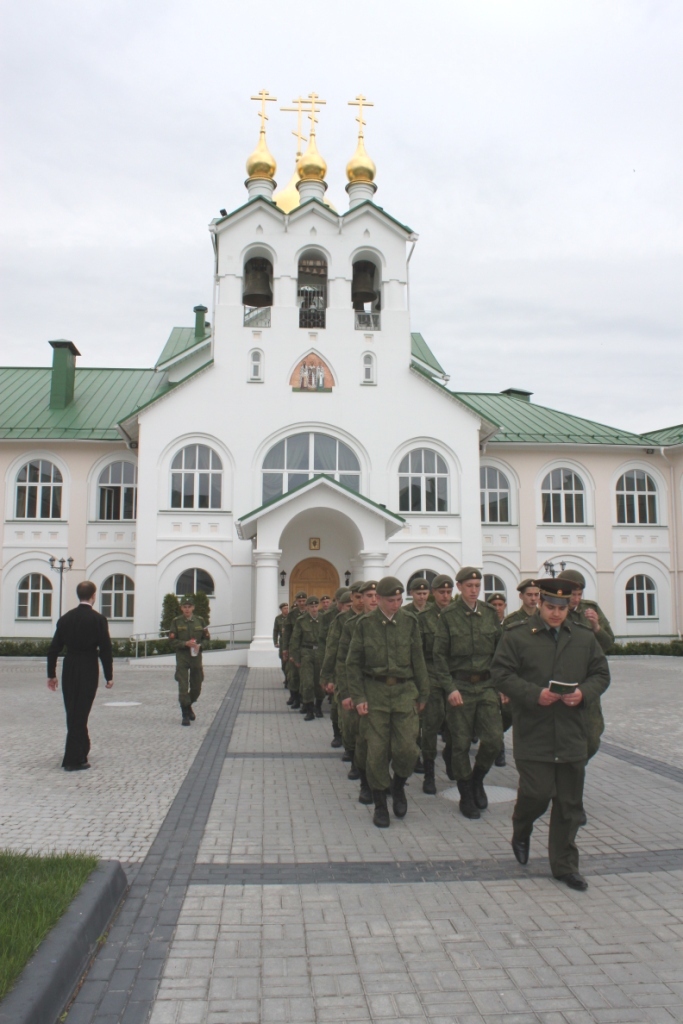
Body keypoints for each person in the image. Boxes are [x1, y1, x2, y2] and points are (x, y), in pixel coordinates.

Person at [491, 577, 610, 891]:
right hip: (535, 731)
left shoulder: (583, 637)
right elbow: (500, 673)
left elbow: (601, 673)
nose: (556, 613)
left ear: (569, 605)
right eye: (550, 607)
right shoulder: (518, 637)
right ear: (539, 604)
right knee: (537, 793)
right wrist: (532, 694)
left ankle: (565, 866)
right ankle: (522, 825)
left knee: (570, 804)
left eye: (561, 607)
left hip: (572, 731)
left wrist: (584, 693)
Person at [347, 576, 429, 828]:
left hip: (404, 692)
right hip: (375, 694)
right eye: (390, 600)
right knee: (377, 753)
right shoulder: (365, 624)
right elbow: (353, 663)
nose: (395, 605)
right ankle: (381, 803)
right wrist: (358, 697)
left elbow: (418, 660)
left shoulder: (410, 622)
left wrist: (423, 693)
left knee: (408, 749)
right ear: (378, 599)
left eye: (398, 600)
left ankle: (399, 785)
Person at [432, 567, 503, 819]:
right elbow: (439, 656)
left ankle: (477, 779)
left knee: (494, 739)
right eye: (469, 586)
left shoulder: (489, 613)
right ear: (459, 586)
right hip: (460, 687)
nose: (474, 590)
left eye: (477, 586)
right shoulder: (449, 616)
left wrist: (501, 685)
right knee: (460, 743)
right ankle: (465, 793)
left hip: (485, 686)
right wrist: (449, 688)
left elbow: (500, 652)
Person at [47, 580, 113, 771]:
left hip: (70, 666)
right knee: (81, 712)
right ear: (93, 596)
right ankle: (73, 759)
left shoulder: (66, 618)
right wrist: (109, 675)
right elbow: (105, 650)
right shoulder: (98, 619)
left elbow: (53, 649)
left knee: (73, 710)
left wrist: (51, 674)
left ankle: (82, 749)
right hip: (88, 667)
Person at [336, 580, 378, 804]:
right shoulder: (350, 624)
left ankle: (384, 780)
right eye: (364, 595)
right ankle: (365, 779)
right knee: (361, 736)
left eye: (373, 595)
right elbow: (343, 660)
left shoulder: (395, 623)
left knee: (385, 740)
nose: (368, 600)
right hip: (359, 688)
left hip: (384, 692)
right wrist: (346, 692)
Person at [418, 574, 454, 794]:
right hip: (431, 675)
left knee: (455, 724)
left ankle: (451, 757)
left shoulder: (457, 616)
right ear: (434, 593)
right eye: (442, 592)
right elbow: (419, 653)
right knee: (430, 725)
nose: (446, 596)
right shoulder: (423, 618)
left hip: (452, 675)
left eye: (449, 592)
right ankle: (429, 772)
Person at [169, 595, 210, 725]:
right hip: (182, 656)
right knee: (183, 685)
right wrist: (184, 643)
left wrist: (200, 645)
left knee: (196, 687)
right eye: (184, 607)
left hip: (196, 656)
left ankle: (188, 705)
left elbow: (207, 639)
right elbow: (171, 641)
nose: (187, 609)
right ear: (181, 608)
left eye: (189, 607)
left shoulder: (200, 621)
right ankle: (185, 714)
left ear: (193, 608)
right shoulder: (176, 621)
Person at [320, 587, 352, 748]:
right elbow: (329, 647)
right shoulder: (334, 619)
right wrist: (327, 676)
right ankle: (338, 735)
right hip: (339, 668)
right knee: (337, 707)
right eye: (347, 605)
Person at [289, 596, 325, 721]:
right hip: (306, 652)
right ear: (308, 607)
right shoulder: (301, 620)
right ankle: (309, 709)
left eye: (316, 606)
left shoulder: (323, 619)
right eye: (312, 607)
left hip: (320, 652)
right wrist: (296, 657)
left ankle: (318, 707)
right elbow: (295, 640)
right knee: (307, 682)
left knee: (319, 682)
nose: (314, 609)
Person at [282, 591, 307, 709]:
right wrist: (285, 649)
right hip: (294, 647)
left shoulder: (310, 613)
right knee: (293, 674)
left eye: (303, 601)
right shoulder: (292, 614)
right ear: (296, 601)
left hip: (306, 647)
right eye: (300, 601)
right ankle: (294, 697)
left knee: (305, 675)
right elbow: (287, 632)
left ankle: (303, 699)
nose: (302, 603)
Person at [273, 602, 289, 684]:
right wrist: (275, 641)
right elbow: (275, 631)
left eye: (287, 608)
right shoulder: (278, 618)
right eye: (284, 608)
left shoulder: (291, 617)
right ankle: (286, 676)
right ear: (281, 610)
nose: (286, 610)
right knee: (283, 662)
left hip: (290, 642)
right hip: (282, 642)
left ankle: (288, 679)